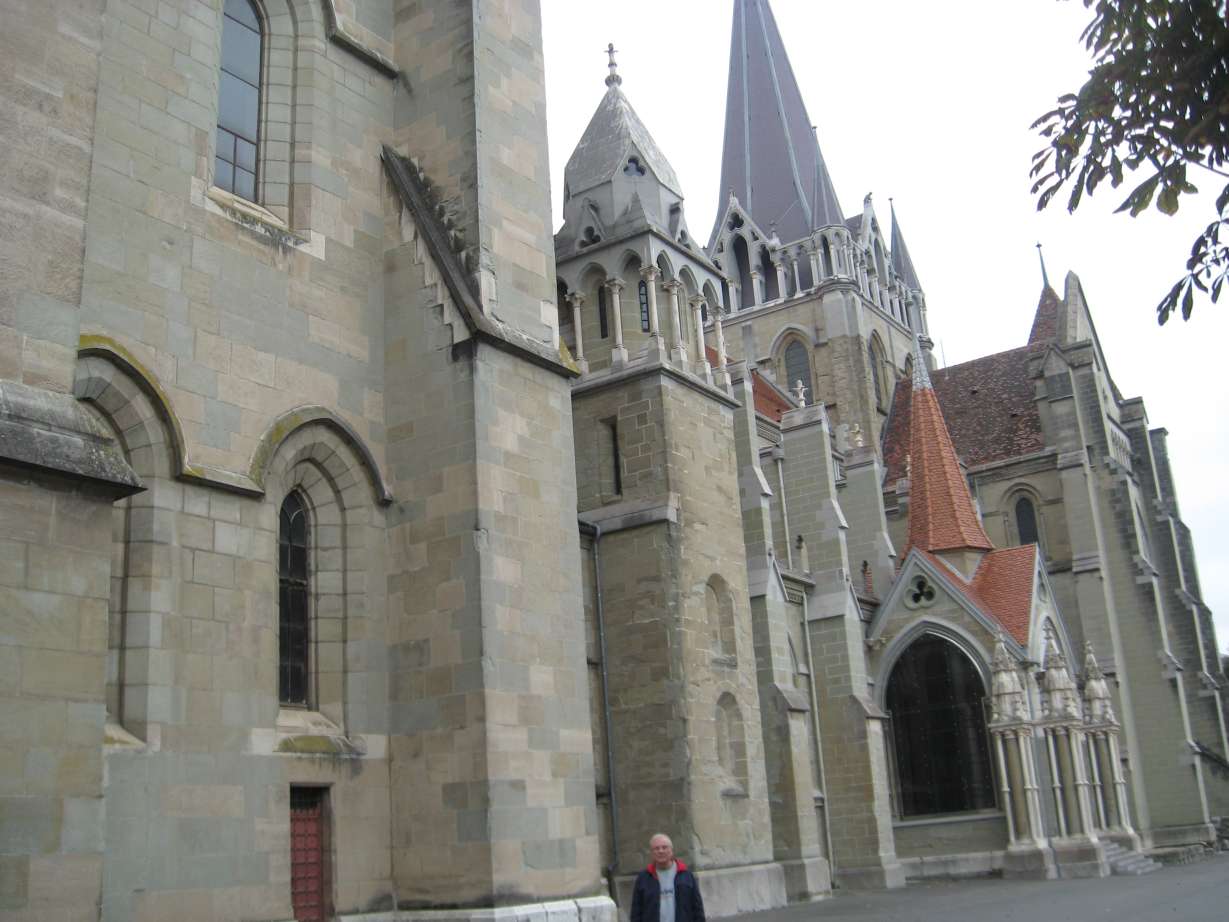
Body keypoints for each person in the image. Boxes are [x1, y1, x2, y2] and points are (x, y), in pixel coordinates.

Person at [629, 833, 705, 922]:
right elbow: (636, 912)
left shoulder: (686, 875)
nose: (661, 851)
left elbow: (697, 909)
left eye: (664, 847)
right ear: (652, 853)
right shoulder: (643, 878)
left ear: (671, 851)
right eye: (656, 848)